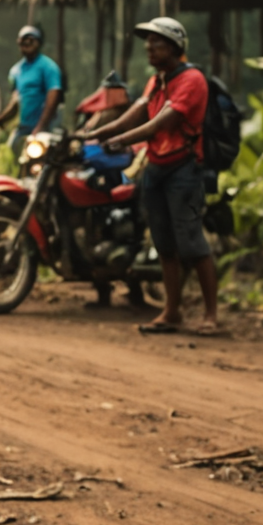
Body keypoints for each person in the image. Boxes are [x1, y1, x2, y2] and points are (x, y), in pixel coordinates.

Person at [88, 17, 220, 336]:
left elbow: (160, 122)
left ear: (175, 47)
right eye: (147, 41)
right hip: (157, 168)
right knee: (163, 244)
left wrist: (119, 141)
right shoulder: (157, 81)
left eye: (156, 42)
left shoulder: (192, 80)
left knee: (193, 244)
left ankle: (210, 315)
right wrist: (89, 135)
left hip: (185, 170)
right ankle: (171, 311)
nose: (148, 47)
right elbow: (137, 111)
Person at [0, 24, 65, 163]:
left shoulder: (48, 67)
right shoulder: (16, 70)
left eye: (31, 40)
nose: (27, 43)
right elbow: (15, 101)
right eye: (23, 41)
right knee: (10, 159)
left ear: (38, 43)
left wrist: (40, 127)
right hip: (22, 128)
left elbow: (53, 96)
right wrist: (0, 121)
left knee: (40, 164)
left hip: (45, 128)